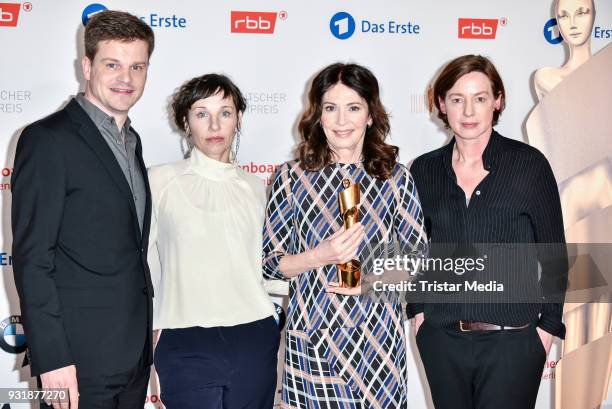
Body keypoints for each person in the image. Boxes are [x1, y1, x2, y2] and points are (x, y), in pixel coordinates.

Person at [11, 10, 155, 409]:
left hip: (132, 359)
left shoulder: (133, 142)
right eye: (113, 65)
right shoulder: (47, 140)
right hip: (76, 362)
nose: (126, 78)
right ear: (87, 66)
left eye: (136, 66)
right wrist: (54, 358)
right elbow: (33, 258)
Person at [262, 62, 427, 408]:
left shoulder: (396, 179)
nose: (341, 121)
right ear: (317, 115)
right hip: (313, 340)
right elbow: (271, 264)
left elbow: (417, 260)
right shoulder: (291, 178)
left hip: (377, 342)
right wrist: (319, 256)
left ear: (370, 115)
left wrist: (368, 281)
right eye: (330, 108)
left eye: (353, 108)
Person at [408, 55, 568, 409]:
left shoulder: (529, 165)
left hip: (513, 345)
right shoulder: (423, 170)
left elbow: (554, 255)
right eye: (457, 98)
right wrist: (419, 315)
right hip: (441, 341)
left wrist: (546, 331)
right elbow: (417, 251)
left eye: (479, 98)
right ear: (440, 104)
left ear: (497, 101)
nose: (468, 111)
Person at [148, 74, 279, 409]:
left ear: (239, 119)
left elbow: (269, 266)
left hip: (254, 336)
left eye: (226, 112)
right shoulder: (159, 181)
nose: (215, 124)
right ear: (185, 121)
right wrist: (150, 329)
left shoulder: (257, 188)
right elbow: (142, 264)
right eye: (201, 113)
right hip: (184, 337)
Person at [533, 0, 595, 100]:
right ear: (557, 21)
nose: (573, 24)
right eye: (563, 16)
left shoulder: (606, 75)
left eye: (581, 13)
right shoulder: (546, 77)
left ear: (593, 16)